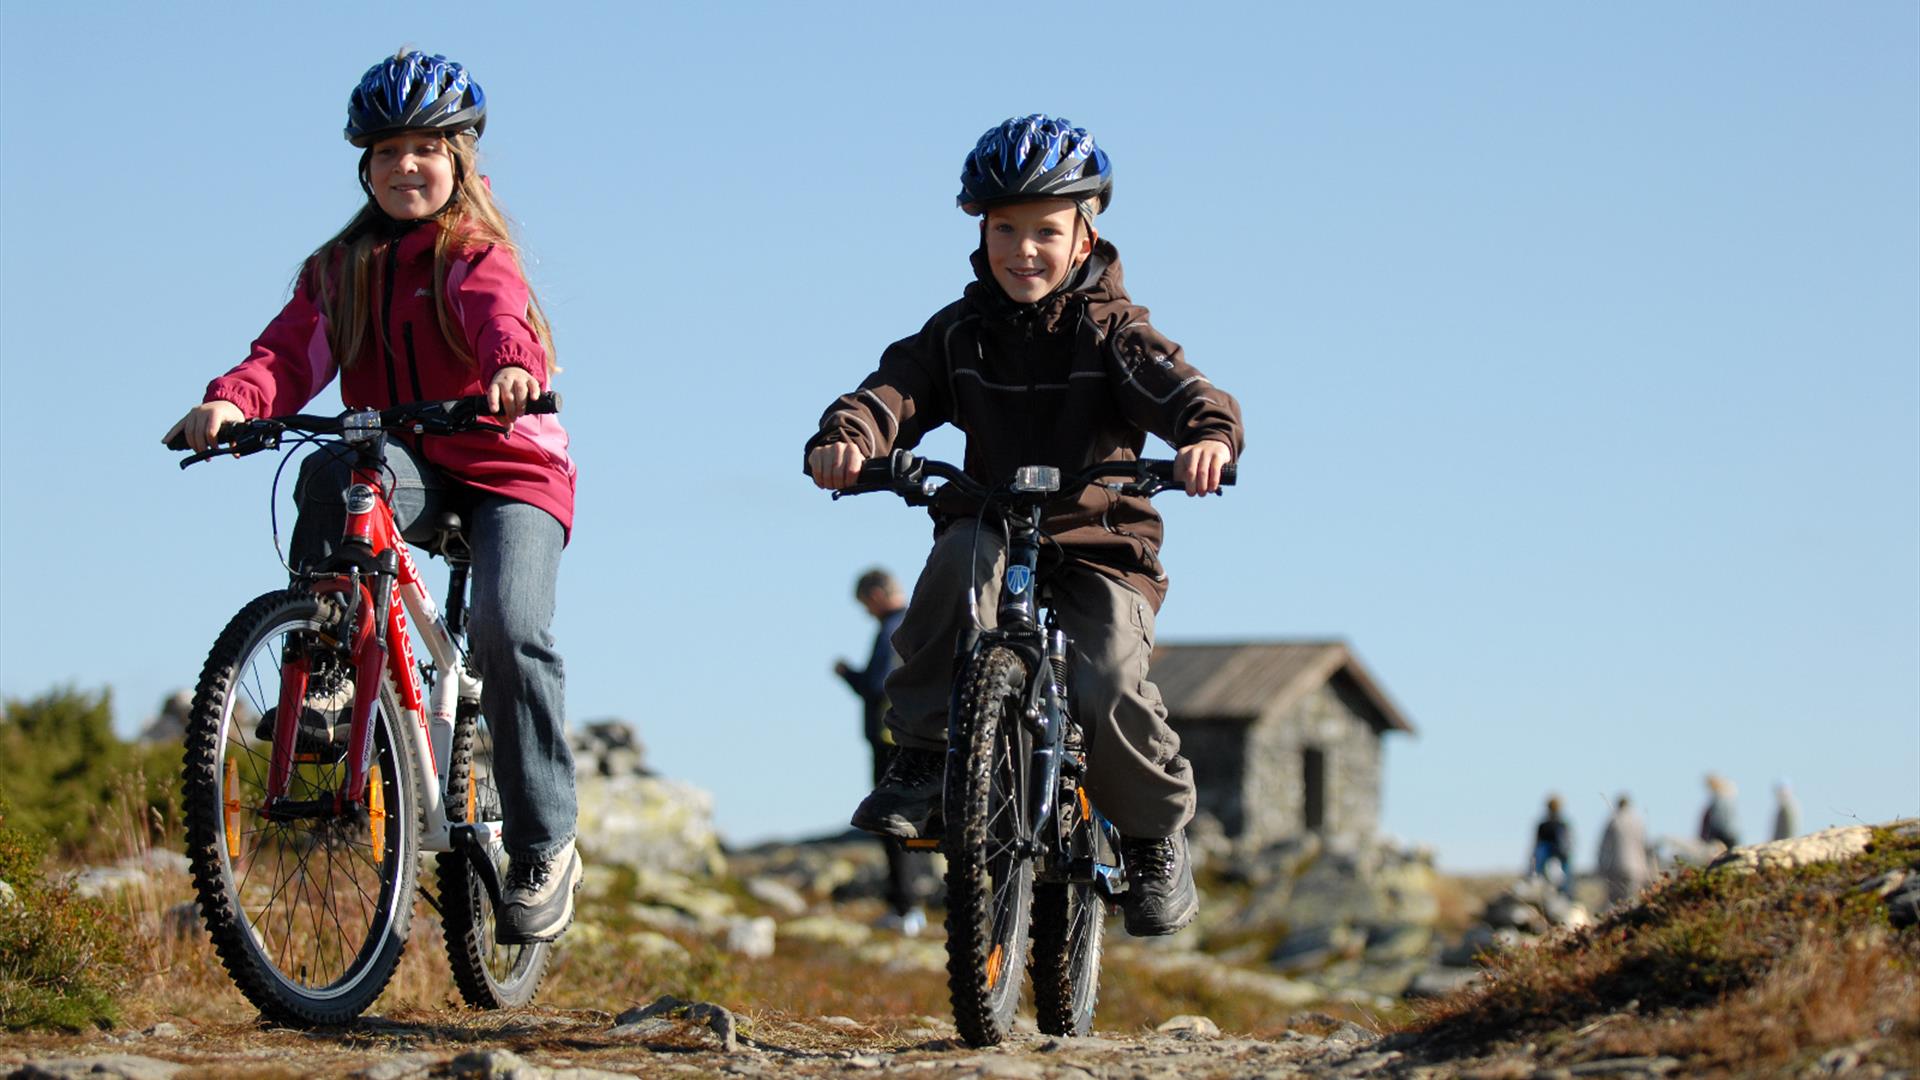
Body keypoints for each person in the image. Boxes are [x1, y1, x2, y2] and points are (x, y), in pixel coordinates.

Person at [161, 50, 581, 945]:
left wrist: (511, 368)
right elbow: (287, 358)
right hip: (405, 463)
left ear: (461, 160)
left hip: (511, 469)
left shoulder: (475, 254)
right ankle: (329, 674)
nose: (406, 167)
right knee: (334, 467)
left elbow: (501, 319)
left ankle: (546, 844)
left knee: (511, 632)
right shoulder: (338, 268)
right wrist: (231, 401)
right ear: (365, 167)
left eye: (426, 148)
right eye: (387, 152)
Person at [803, 115, 1245, 937]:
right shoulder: (960, 332)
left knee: (1109, 680)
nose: (1024, 250)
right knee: (955, 562)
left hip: (1102, 545)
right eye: (1005, 229)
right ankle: (924, 758)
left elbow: (1184, 390)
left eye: (1047, 229)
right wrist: (849, 439)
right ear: (981, 232)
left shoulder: (1114, 332)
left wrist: (1206, 439)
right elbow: (893, 390)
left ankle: (1152, 839)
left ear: (1087, 234)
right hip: (991, 521)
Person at [833, 569, 923, 935]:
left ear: (876, 594)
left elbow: (877, 685)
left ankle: (904, 908)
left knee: (892, 824)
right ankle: (908, 907)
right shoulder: (915, 623)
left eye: (865, 604)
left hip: (890, 740)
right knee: (909, 825)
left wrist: (846, 673)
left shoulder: (891, 630)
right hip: (909, 736)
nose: (866, 612)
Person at [1596, 793, 1651, 906]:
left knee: (1616, 901)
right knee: (1633, 900)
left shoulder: (1613, 821)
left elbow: (1604, 847)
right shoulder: (1638, 821)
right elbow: (1645, 846)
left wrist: (1601, 866)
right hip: (1637, 868)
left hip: (1617, 867)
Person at [1531, 795, 1575, 896]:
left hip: (1552, 858)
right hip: (1559, 858)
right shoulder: (1562, 825)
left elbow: (1536, 848)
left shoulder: (1544, 825)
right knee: (1564, 883)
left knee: (1548, 882)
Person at [1699, 773, 1740, 851]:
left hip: (1723, 835)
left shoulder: (1721, 800)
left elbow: (1719, 821)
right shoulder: (1722, 800)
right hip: (1727, 834)